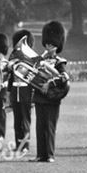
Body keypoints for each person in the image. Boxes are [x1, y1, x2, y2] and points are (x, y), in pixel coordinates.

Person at [33, 20, 70, 163]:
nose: (49, 47)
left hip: (52, 97)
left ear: (57, 46)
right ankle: (40, 154)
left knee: (49, 126)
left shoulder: (59, 62)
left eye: (52, 44)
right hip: (39, 96)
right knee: (40, 126)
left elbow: (64, 77)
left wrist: (50, 83)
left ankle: (49, 154)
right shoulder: (39, 60)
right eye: (47, 44)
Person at [6, 29, 35, 154]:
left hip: (25, 93)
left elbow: (33, 81)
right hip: (15, 92)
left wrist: (33, 98)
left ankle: (25, 145)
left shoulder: (31, 61)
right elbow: (11, 78)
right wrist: (8, 95)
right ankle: (19, 145)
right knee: (17, 121)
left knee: (25, 121)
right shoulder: (14, 60)